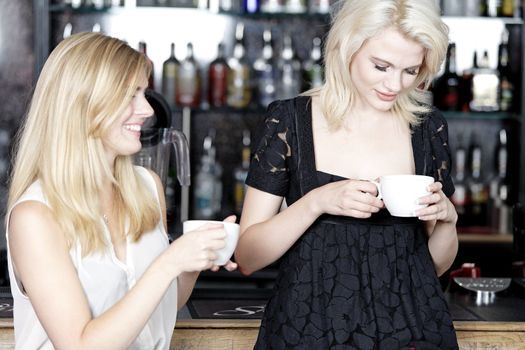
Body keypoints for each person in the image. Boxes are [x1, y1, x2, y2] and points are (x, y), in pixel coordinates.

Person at [235, 0, 459, 349]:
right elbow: (248, 257)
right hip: (307, 332)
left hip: (414, 332)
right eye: (381, 66)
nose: (394, 84)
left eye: (410, 71)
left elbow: (434, 268)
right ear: (346, 48)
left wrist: (447, 220)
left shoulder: (428, 129)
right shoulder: (290, 122)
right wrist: (316, 202)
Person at [6, 32, 236, 349]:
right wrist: (170, 261)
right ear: (82, 104)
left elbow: (161, 305)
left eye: (144, 93)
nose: (148, 110)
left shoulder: (147, 188)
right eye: (130, 95)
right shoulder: (35, 216)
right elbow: (80, 345)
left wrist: (189, 266)